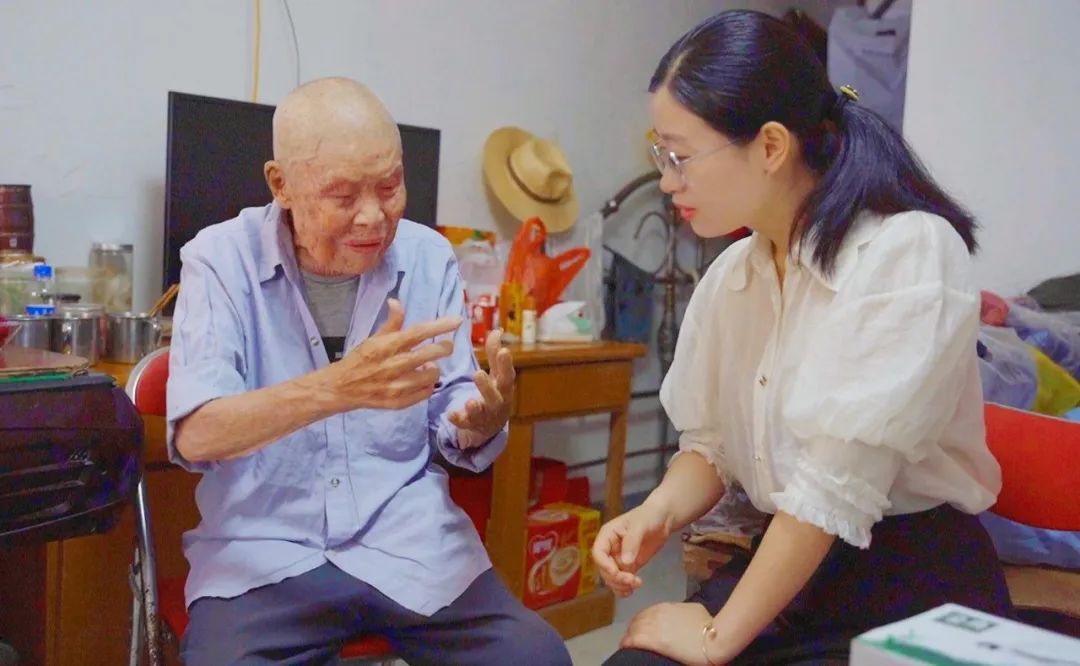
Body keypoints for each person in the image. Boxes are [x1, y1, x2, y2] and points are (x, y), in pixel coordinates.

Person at [594, 11, 1012, 665]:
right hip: (792, 566)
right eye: (662, 156)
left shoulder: (906, 252)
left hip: (911, 581)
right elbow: (713, 446)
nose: (669, 181)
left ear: (770, 146)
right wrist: (658, 513)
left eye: (680, 156)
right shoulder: (733, 275)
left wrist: (714, 639)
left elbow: (830, 492)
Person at [168, 77, 570, 665]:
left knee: (537, 657)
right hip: (266, 553)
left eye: (389, 186)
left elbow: (450, 405)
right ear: (280, 184)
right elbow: (197, 433)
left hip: (409, 542)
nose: (374, 217)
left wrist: (478, 420)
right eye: (342, 195)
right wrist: (337, 388)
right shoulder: (219, 260)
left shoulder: (428, 257)